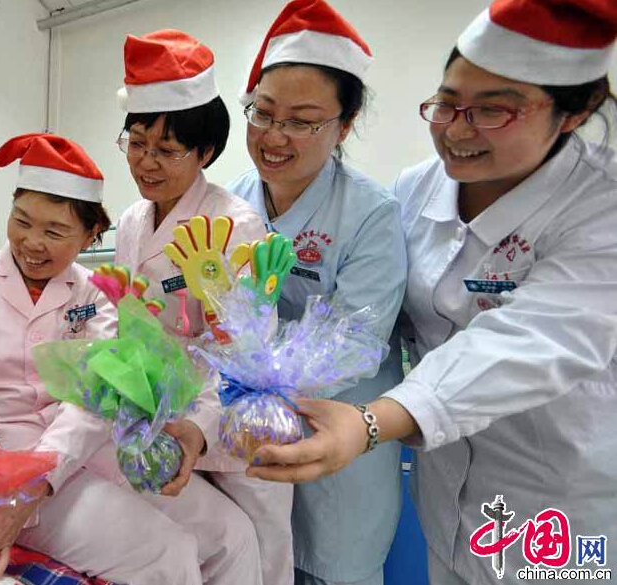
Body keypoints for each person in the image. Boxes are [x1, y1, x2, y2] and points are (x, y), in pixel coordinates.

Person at [248, 1, 617, 583]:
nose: (457, 129)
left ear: (573, 113)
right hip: (444, 487)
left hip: (560, 497)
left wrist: (370, 420)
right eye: (446, 103)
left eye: (493, 111)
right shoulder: (417, 191)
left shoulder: (602, 206)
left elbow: (529, 339)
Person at [0, 133, 262, 585]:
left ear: (92, 235)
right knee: (167, 554)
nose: (32, 242)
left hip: (80, 454)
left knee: (234, 533)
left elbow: (93, 401)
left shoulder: (99, 294)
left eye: (55, 232)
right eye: (22, 221)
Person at [226, 2, 408, 584]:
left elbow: (356, 341)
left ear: (344, 126)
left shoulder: (369, 214)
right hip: (243, 447)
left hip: (337, 452)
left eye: (302, 121)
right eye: (263, 112)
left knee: (328, 570)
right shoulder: (230, 204)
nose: (274, 137)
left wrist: (255, 375)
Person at [112, 29, 281, 585]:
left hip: (226, 426)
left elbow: (243, 349)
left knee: (249, 555)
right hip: (159, 418)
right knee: (182, 550)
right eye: (136, 143)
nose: (146, 163)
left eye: (167, 150)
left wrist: (200, 426)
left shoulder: (235, 224)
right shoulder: (133, 220)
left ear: (205, 151)